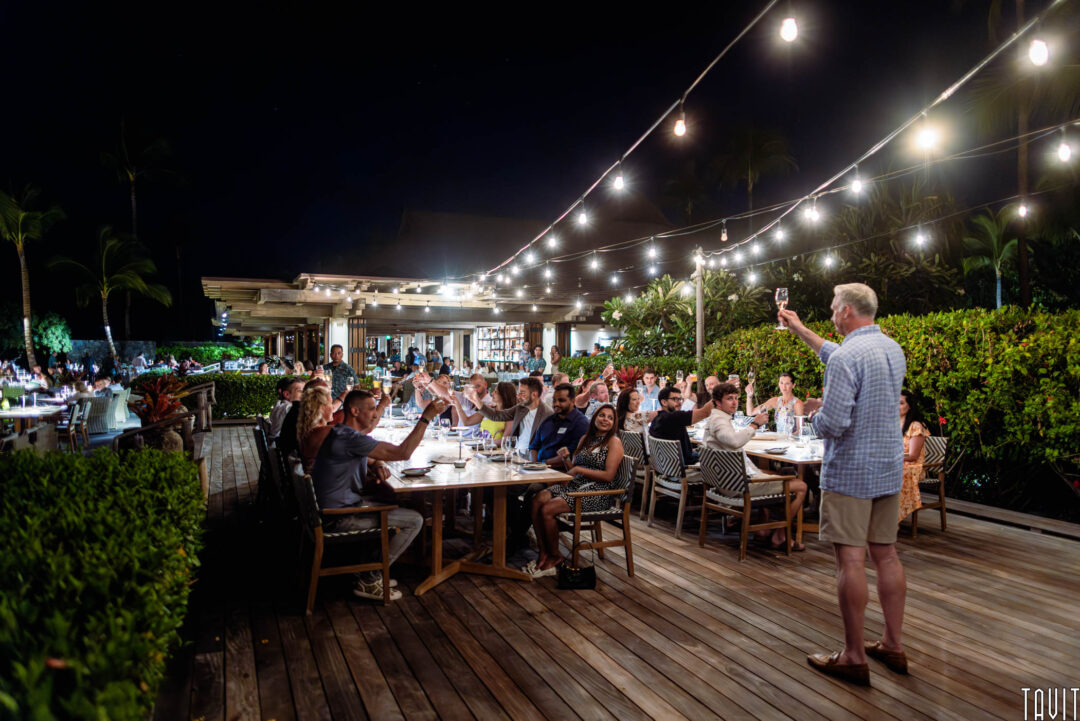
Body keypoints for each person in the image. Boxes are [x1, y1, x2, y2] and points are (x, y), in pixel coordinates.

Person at [780, 282, 908, 686]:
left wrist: (813, 415)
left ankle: (853, 655)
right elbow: (835, 354)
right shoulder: (891, 348)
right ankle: (893, 643)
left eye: (835, 307)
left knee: (850, 561)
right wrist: (798, 328)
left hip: (852, 469)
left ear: (848, 311)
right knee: (886, 555)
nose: (832, 312)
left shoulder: (846, 357)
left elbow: (834, 423)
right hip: (888, 466)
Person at [311, 391, 447, 601]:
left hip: (328, 510)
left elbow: (365, 458)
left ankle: (366, 566)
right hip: (337, 518)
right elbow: (403, 452)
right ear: (355, 411)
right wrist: (426, 417)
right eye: (372, 409)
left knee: (394, 501)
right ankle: (369, 576)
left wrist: (377, 465)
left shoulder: (340, 432)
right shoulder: (350, 438)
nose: (376, 414)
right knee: (415, 519)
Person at [703, 382, 807, 550]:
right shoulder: (719, 422)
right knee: (801, 486)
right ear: (716, 403)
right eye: (729, 399)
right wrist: (754, 424)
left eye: (736, 398)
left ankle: (762, 531)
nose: (734, 402)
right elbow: (735, 441)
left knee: (768, 472)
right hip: (737, 486)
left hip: (724, 481)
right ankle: (780, 535)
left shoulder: (716, 419)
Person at [528, 404, 624, 575]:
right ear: (595, 417)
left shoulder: (613, 442)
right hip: (576, 485)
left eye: (610, 418)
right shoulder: (585, 439)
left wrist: (579, 470)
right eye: (602, 415)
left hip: (598, 492)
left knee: (548, 509)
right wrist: (566, 460)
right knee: (538, 499)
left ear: (614, 423)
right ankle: (544, 551)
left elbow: (609, 476)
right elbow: (574, 468)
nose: (605, 420)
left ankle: (555, 555)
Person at [648, 386, 714, 465]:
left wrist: (690, 450)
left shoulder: (658, 418)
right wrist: (719, 395)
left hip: (665, 465)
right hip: (682, 468)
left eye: (680, 399)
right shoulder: (674, 417)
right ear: (664, 402)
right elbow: (705, 412)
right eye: (675, 399)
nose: (679, 402)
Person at [530, 383, 590, 467]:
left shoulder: (581, 423)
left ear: (572, 401)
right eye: (554, 400)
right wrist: (534, 466)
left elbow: (573, 455)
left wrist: (543, 464)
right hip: (539, 469)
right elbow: (533, 447)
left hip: (561, 473)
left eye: (561, 400)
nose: (556, 404)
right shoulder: (548, 420)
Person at [899, 389, 929, 523]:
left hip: (913, 466)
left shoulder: (915, 425)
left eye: (901, 403)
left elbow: (913, 455)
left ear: (909, 406)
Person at [297, 385, 335, 473]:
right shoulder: (325, 432)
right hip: (323, 483)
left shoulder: (308, 430)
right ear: (321, 408)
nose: (333, 407)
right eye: (331, 403)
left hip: (313, 480)